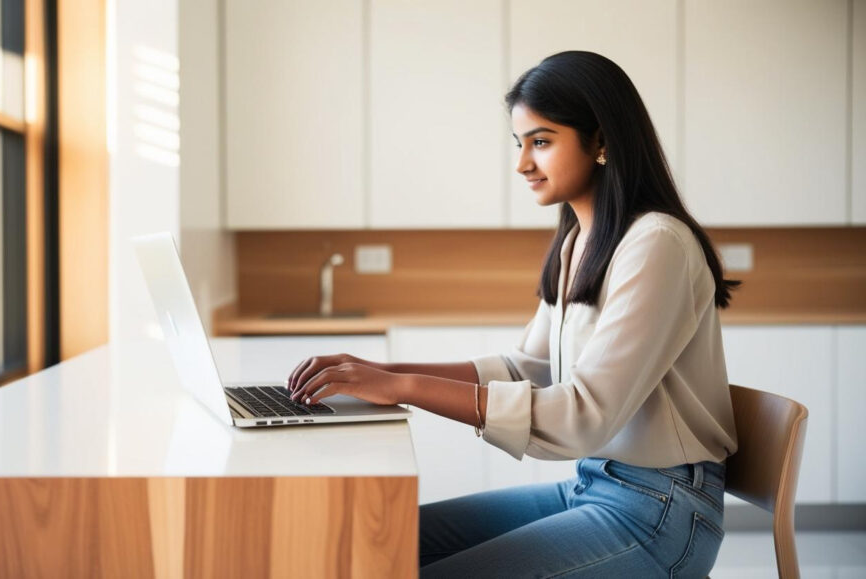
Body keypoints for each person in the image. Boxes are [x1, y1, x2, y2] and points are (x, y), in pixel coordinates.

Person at [286, 50, 739, 578]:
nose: (522, 163)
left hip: (661, 515)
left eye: (541, 141)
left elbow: (582, 416)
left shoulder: (657, 244)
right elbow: (526, 367)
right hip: (597, 485)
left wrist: (403, 387)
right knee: (374, 545)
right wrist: (377, 374)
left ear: (602, 142)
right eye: (520, 143)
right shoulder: (581, 242)